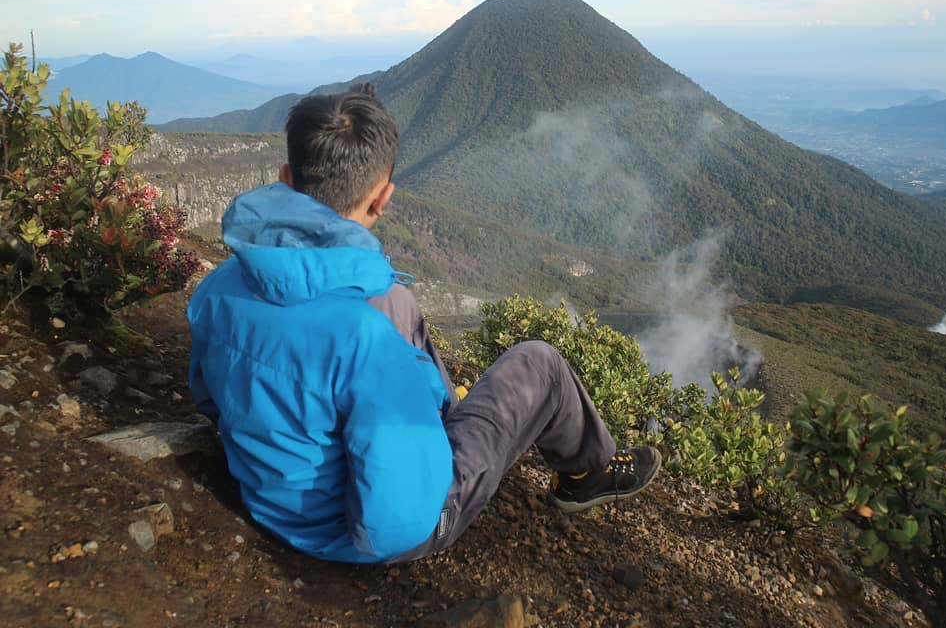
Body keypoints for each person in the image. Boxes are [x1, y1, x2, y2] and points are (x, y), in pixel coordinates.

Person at [186, 84, 660, 564]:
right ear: (383, 197)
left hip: (272, 505)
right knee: (538, 362)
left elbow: (211, 401)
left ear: (285, 178)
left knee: (399, 306)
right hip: (362, 534)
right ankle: (587, 474)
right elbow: (399, 522)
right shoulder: (363, 339)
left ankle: (436, 411)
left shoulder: (218, 288)